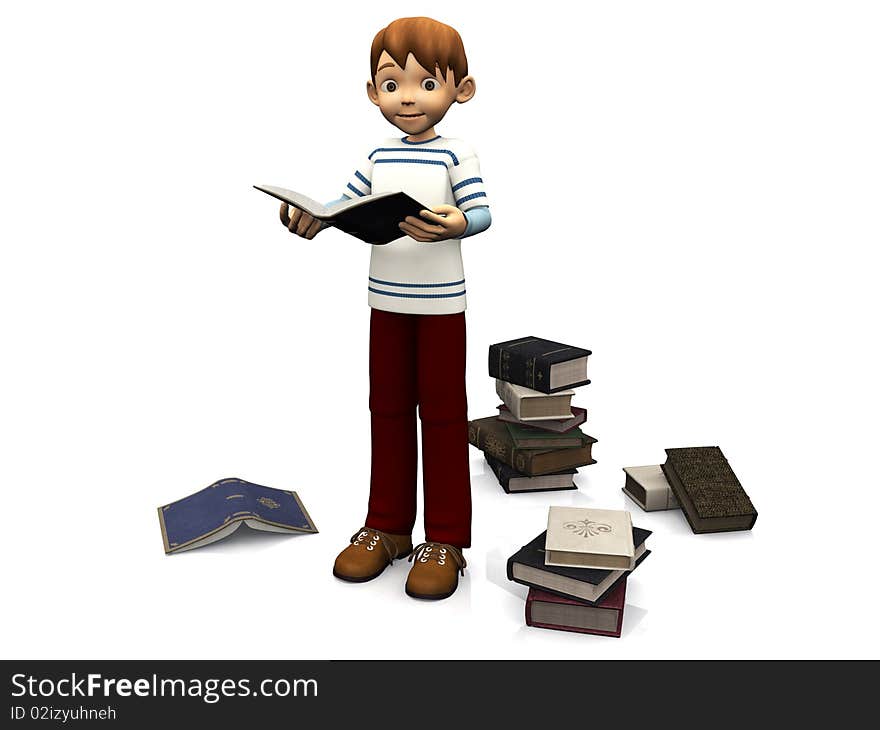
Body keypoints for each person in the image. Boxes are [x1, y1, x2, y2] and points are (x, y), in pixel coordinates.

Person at [280, 17, 491, 600]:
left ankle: (445, 538)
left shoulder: (457, 153)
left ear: (460, 90)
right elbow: (344, 204)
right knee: (388, 412)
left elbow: (480, 213)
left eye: (428, 84)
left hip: (443, 308)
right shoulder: (376, 153)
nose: (408, 98)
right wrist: (312, 219)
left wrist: (456, 222)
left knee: (444, 419)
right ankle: (388, 527)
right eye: (393, 84)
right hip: (386, 303)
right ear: (373, 93)